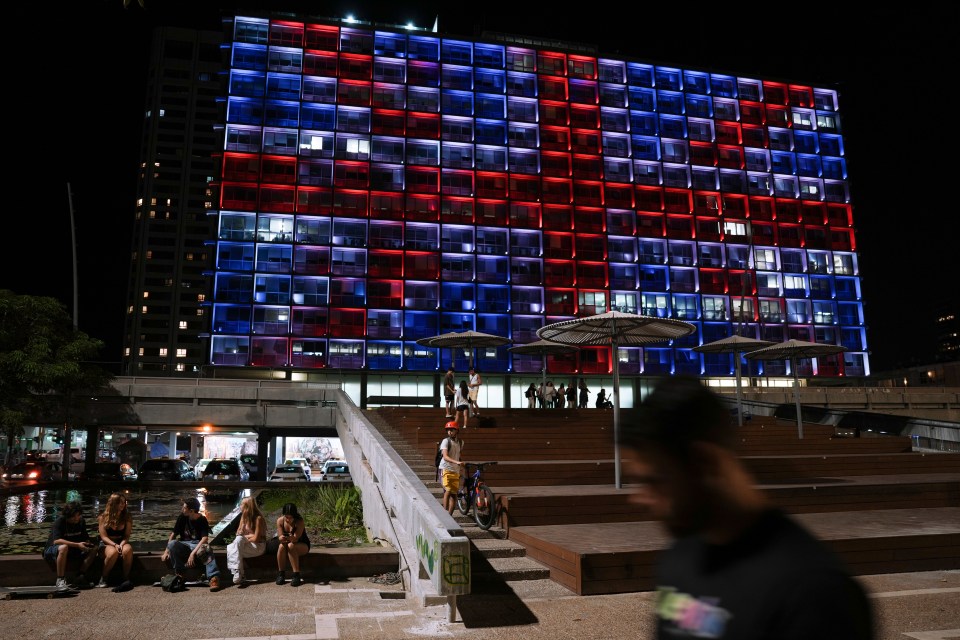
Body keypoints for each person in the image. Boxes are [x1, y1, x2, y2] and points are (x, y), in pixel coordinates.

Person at [621, 376, 874, 639]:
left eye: (652, 481)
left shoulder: (814, 593)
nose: (638, 498)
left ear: (704, 462)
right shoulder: (678, 559)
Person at [161, 497, 222, 592]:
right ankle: (180, 574)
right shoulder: (182, 517)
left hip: (197, 545)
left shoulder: (202, 520)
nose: (182, 509)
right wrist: (166, 551)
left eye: (184, 508)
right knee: (172, 544)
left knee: (207, 548)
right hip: (184, 544)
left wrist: (192, 554)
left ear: (191, 511)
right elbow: (173, 534)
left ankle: (213, 578)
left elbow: (204, 539)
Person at [45, 501, 98, 589]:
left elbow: (85, 537)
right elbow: (57, 541)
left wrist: (87, 544)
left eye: (78, 515)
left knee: (94, 548)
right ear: (67, 515)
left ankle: (80, 575)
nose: (76, 518)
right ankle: (60, 579)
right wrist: (77, 545)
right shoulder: (60, 522)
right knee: (63, 547)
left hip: (73, 548)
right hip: (54, 549)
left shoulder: (81, 521)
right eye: (73, 516)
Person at [226, 496, 267, 587]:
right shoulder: (243, 517)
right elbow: (238, 534)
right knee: (235, 544)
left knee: (232, 548)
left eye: (241, 504)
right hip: (246, 545)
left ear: (247, 506)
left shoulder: (258, 519)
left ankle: (239, 572)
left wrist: (245, 537)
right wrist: (247, 535)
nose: (240, 506)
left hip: (258, 547)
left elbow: (256, 539)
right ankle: (239, 573)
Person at [97, 492, 134, 590]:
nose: (122, 504)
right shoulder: (103, 517)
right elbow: (103, 537)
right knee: (113, 553)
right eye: (119, 502)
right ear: (113, 503)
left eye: (123, 502)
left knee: (128, 550)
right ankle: (104, 577)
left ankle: (125, 578)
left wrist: (121, 544)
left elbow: (126, 535)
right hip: (107, 543)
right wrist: (114, 545)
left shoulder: (127, 516)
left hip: (121, 541)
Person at [275, 502, 310, 586]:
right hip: (286, 544)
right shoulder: (280, 520)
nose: (288, 519)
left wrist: (292, 537)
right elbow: (280, 536)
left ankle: (296, 574)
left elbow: (296, 538)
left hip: (302, 544)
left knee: (291, 545)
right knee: (281, 546)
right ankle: (281, 574)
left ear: (295, 516)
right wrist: (282, 538)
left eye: (290, 517)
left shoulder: (299, 521)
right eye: (286, 517)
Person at [438, 421, 464, 516]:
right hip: (445, 468)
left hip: (455, 470)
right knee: (448, 491)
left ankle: (449, 516)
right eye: (448, 430)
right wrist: (456, 462)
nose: (449, 432)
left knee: (454, 495)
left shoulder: (461, 442)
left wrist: (460, 464)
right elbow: (445, 456)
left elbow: (458, 455)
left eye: (452, 430)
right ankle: (444, 515)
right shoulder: (445, 441)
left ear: (457, 430)